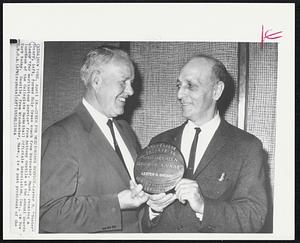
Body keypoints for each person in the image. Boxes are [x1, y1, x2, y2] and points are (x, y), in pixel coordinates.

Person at [142, 55, 268, 233]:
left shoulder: (247, 147)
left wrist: (204, 206)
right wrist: (153, 209)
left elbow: (254, 216)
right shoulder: (159, 142)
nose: (179, 95)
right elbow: (140, 221)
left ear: (216, 91)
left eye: (190, 86)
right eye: (179, 85)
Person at [39, 46, 148, 233]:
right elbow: (48, 214)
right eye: (123, 82)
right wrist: (117, 203)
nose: (130, 91)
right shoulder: (60, 136)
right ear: (96, 81)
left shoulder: (125, 130)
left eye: (131, 83)